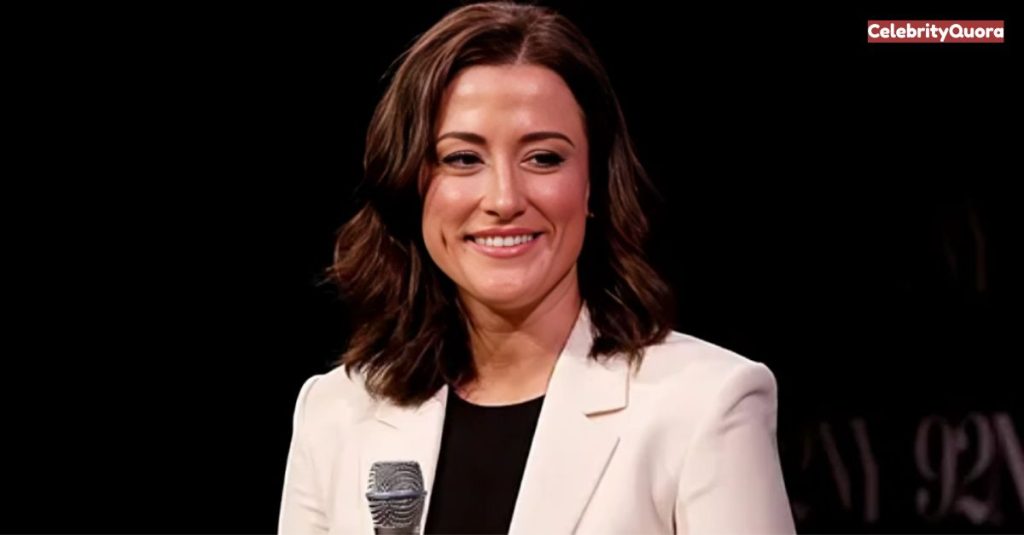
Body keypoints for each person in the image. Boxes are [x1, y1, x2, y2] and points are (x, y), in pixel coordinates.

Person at [278, 2, 795, 533]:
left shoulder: (706, 404)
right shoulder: (335, 412)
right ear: (411, 185)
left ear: (594, 183)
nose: (504, 198)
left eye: (543, 158)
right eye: (462, 159)